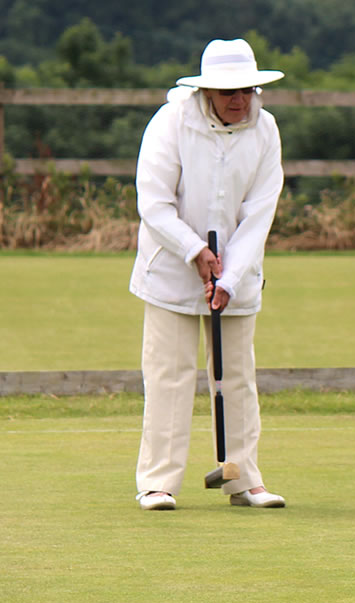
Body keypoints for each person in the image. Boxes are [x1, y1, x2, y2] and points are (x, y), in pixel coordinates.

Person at [129, 38, 286, 510]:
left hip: (237, 272)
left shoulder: (266, 130)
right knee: (169, 375)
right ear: (206, 92)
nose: (238, 100)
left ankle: (243, 479)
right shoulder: (171, 123)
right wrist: (195, 250)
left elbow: (259, 213)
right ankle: (158, 483)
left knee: (236, 375)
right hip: (171, 270)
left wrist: (230, 277)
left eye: (246, 90)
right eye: (226, 92)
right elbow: (154, 202)